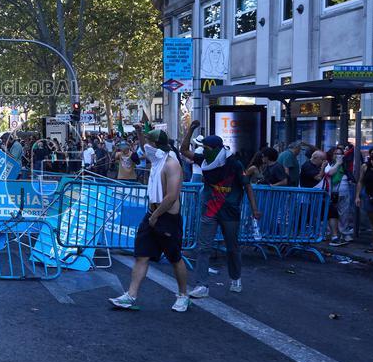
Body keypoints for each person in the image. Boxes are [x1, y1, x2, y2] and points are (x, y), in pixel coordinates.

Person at [109, 125, 191, 312]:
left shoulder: (172, 164)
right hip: (151, 214)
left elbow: (171, 196)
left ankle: (183, 295)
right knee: (142, 255)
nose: (145, 147)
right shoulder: (156, 157)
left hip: (167, 217)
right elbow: (145, 145)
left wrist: (155, 216)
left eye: (149, 142)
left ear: (157, 145)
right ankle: (130, 295)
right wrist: (139, 132)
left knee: (174, 257)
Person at [181, 121, 261, 298]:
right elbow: (184, 150)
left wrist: (255, 209)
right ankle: (202, 285)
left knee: (232, 247)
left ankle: (235, 277)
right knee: (203, 248)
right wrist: (190, 129)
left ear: (216, 148)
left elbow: (247, 186)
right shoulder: (204, 160)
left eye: (206, 147)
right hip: (209, 210)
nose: (203, 150)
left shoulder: (234, 164)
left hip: (230, 212)